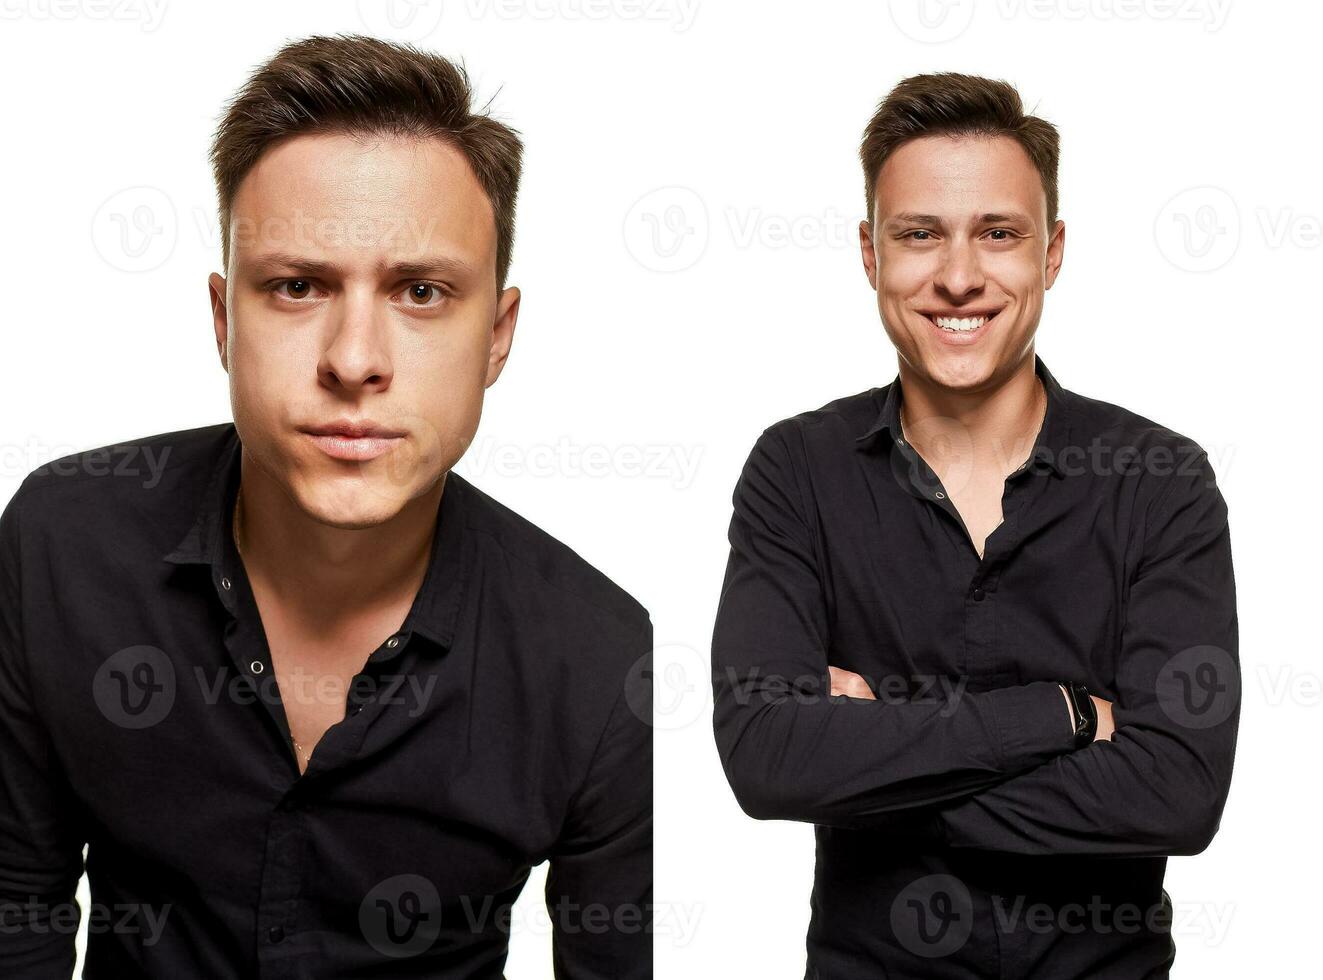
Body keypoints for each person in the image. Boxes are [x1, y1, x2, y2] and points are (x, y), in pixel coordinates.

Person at [0, 34, 652, 979]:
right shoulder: (59, 544)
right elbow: (16, 901)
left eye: (422, 292)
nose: (355, 360)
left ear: (497, 337)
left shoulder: (597, 658)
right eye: (297, 286)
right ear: (225, 320)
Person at [710, 72, 1239, 979]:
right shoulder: (796, 472)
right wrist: (1061, 715)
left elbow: (1178, 793)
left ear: (1052, 252)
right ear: (871, 254)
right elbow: (766, 758)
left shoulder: (1161, 481)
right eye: (920, 235)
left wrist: (870, 771)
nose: (958, 276)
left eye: (998, 233)